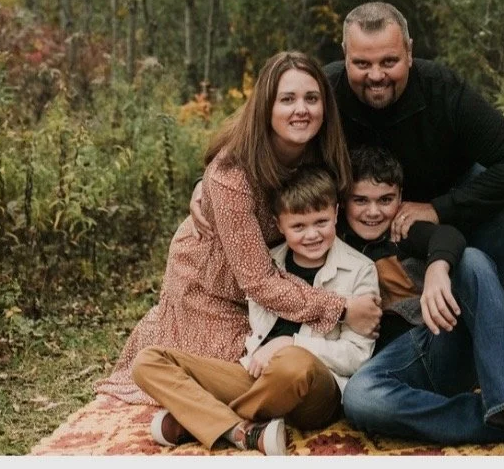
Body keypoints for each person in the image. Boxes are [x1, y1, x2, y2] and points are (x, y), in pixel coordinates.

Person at [95, 51, 382, 407]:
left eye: (312, 98)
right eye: (287, 99)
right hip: (213, 282)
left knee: (277, 366)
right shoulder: (232, 174)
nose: (301, 109)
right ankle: (224, 423)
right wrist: (341, 309)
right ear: (266, 107)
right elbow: (257, 280)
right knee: (237, 372)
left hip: (278, 274)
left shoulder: (321, 153)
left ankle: (204, 416)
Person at [339, 146, 504, 455]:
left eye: (385, 200)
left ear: (400, 197)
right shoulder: (331, 242)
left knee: (471, 259)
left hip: (440, 344)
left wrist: (437, 269)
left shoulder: (403, 232)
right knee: (359, 398)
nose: (373, 212)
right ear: (343, 199)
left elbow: (449, 238)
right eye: (360, 200)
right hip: (396, 369)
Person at [130, 166, 379, 455]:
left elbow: (358, 357)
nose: (312, 234)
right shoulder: (264, 265)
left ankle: (196, 422)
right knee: (148, 361)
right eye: (298, 226)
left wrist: (291, 343)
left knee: (294, 363)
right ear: (278, 223)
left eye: (321, 221)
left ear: (336, 213)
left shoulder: (360, 269)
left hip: (316, 387)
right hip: (258, 376)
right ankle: (241, 431)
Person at [324, 2, 504, 292]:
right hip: (355, 208)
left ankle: (488, 302)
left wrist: (439, 209)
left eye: (389, 62)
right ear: (345, 55)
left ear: (410, 52)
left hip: (442, 199)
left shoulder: (443, 89)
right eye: (362, 64)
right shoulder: (322, 92)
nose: (376, 76)